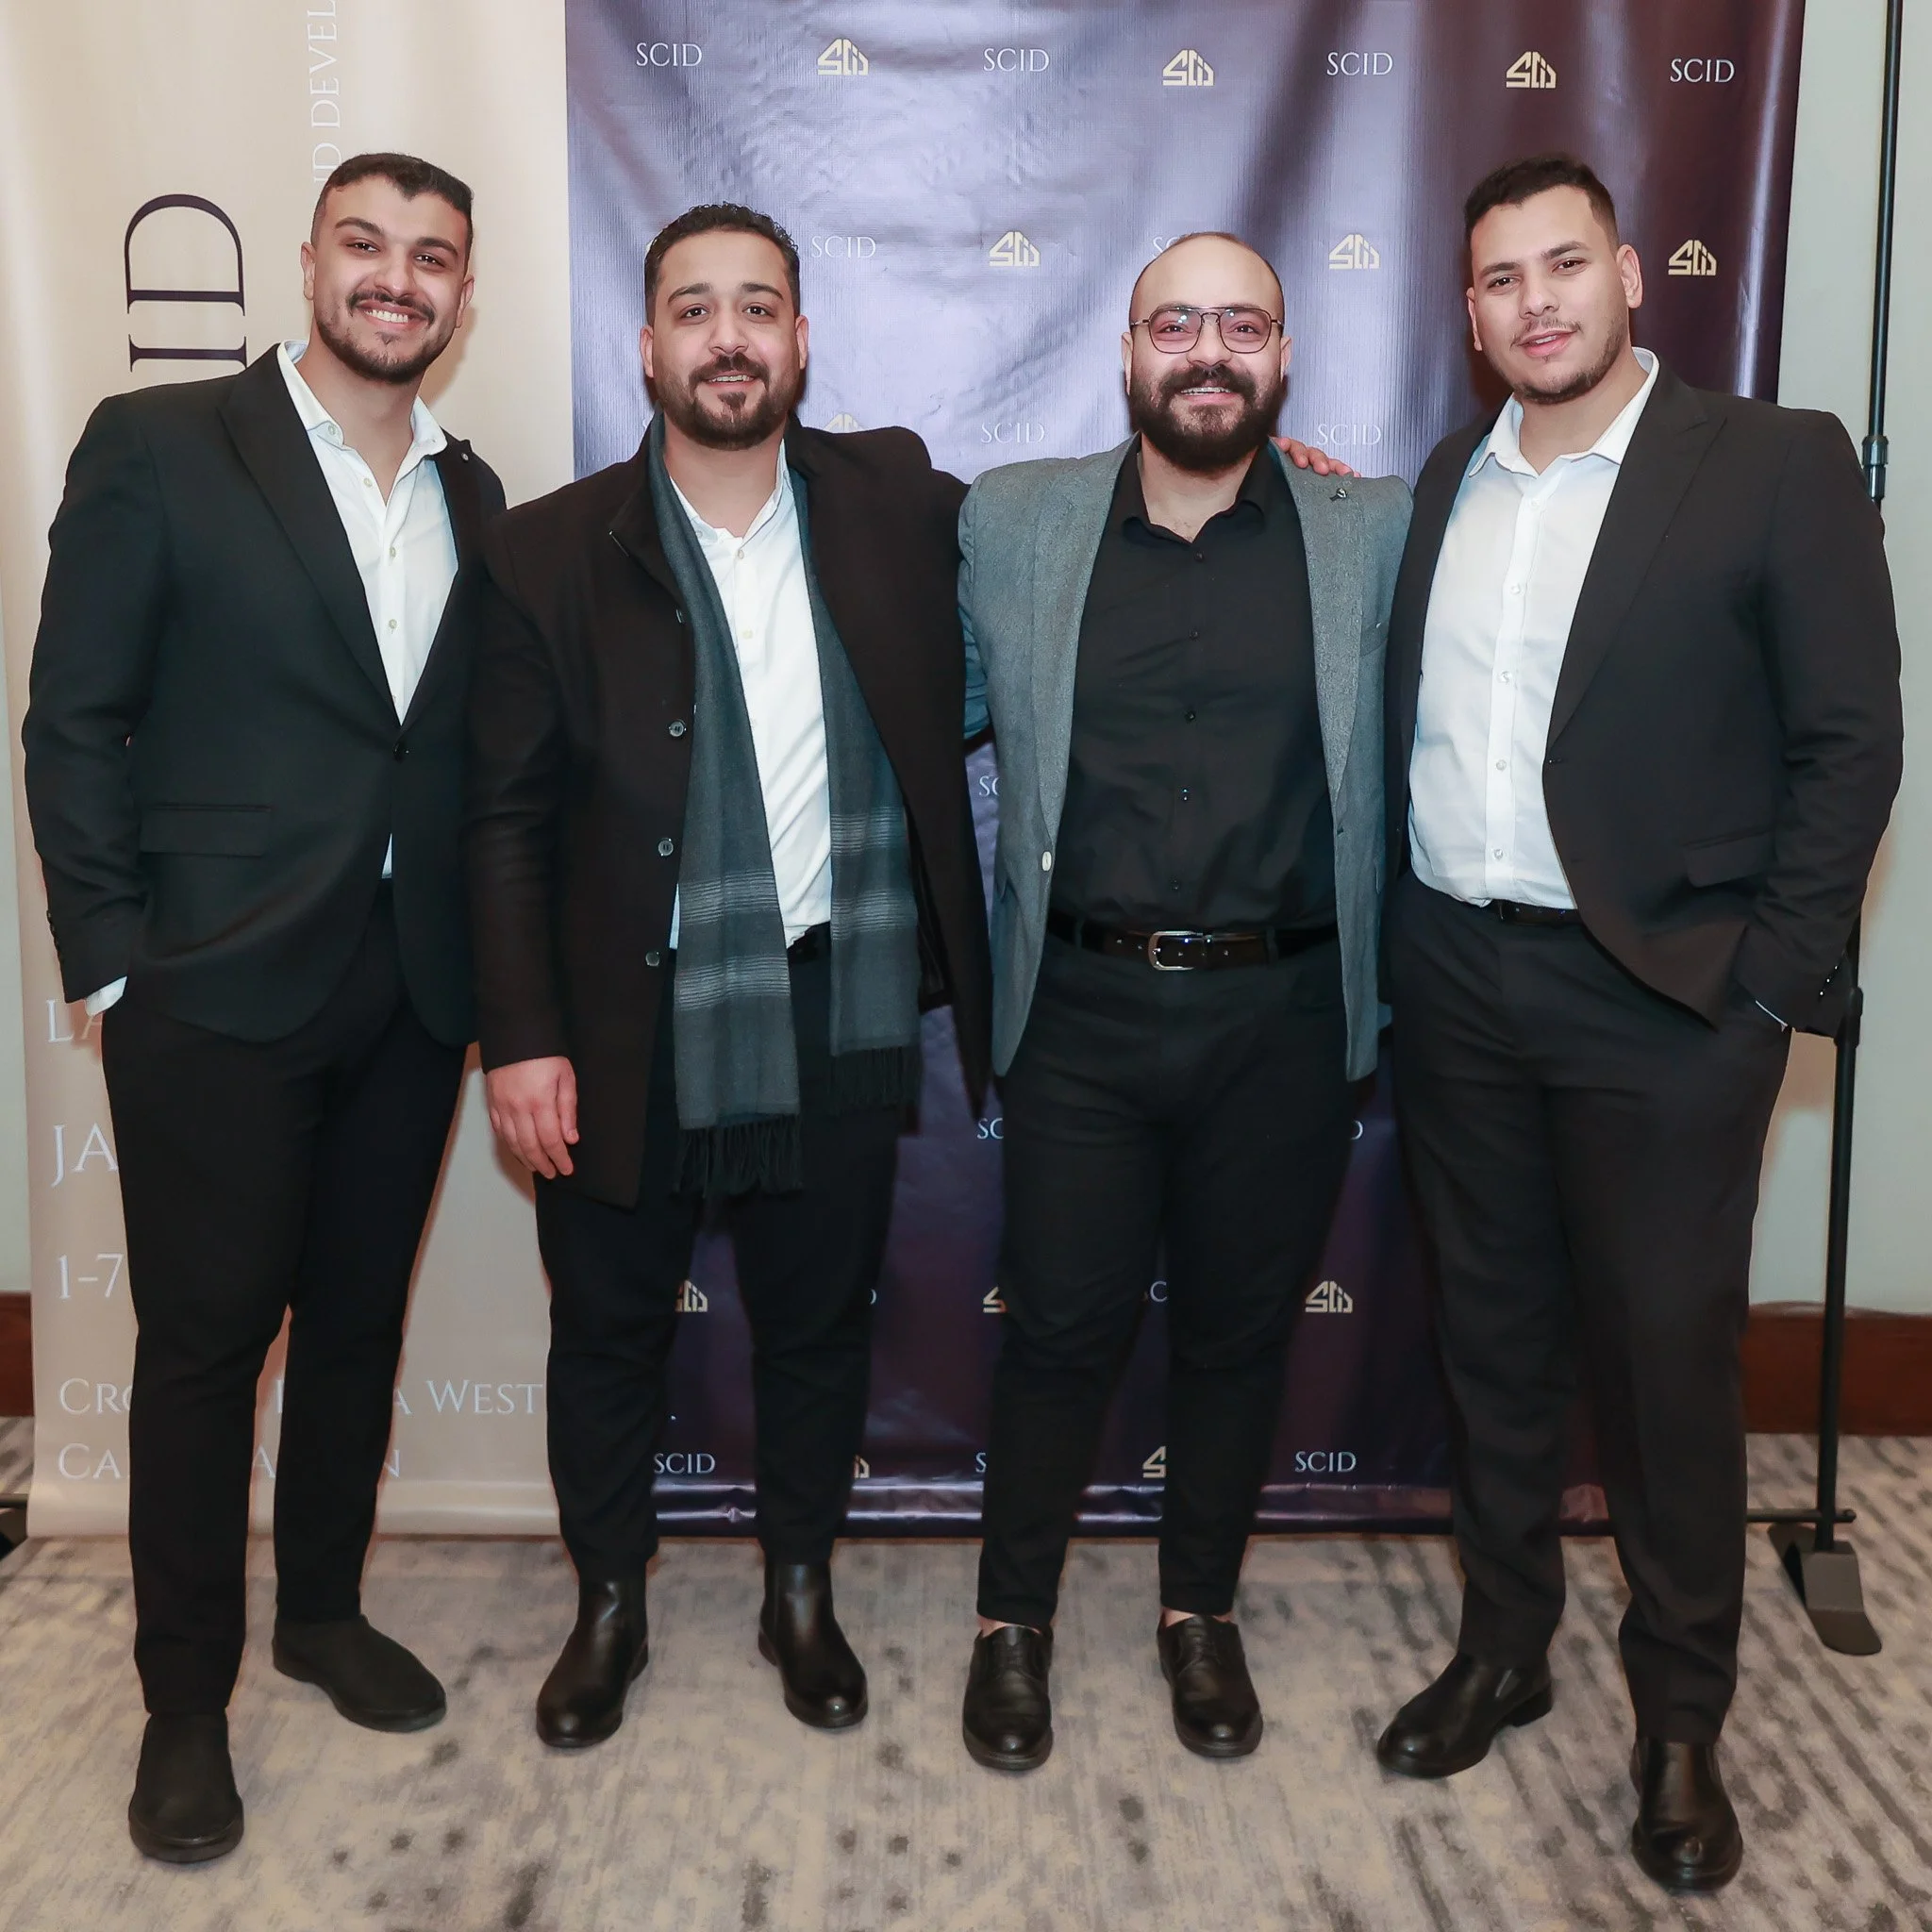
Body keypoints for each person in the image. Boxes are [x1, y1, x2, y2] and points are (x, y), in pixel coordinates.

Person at [1375, 155, 1901, 1894]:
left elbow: (1853, 743)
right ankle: (1507, 1643)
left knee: (1670, 1378)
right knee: (1498, 1350)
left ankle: (1680, 1720)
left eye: (1564, 266)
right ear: (1470, 314)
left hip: (1667, 1002)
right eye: (1500, 280)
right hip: (1459, 977)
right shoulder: (1450, 478)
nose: (1535, 302)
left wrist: (1765, 986)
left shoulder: (1770, 463)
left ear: (1627, 277)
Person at [23, 154, 503, 1863]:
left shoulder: (477, 491)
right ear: (307, 264)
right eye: (367, 246)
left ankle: (318, 1614)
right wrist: (116, 960)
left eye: (432, 256)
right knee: (207, 1348)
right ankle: (182, 1707)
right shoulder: (161, 446)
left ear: (463, 291)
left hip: (408, 990)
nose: (398, 279)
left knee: (358, 1327)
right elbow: (72, 717)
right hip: (211, 992)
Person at [467, 204, 992, 1750]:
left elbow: (1083, 513)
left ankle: (800, 1593)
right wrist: (523, 1037)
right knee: (610, 1331)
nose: (728, 336)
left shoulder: (891, 498)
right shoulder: (549, 549)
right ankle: (610, 1605)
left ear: (803, 340)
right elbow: (498, 818)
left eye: (757, 305)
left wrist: (1283, 476)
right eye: (692, 309)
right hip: (625, 1017)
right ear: (647, 347)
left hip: (833, 1005)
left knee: (818, 1325)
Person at [954, 233, 1409, 1771]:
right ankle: (1010, 1624)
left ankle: (1196, 1614)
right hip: (1080, 1010)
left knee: (1235, 1339)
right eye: (1176, 324)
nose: (1206, 351)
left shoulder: (1376, 530)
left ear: (1283, 358)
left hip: (1284, 1021)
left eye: (1242, 326)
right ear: (1129, 349)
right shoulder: (1014, 525)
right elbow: (914, 694)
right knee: (1060, 1335)